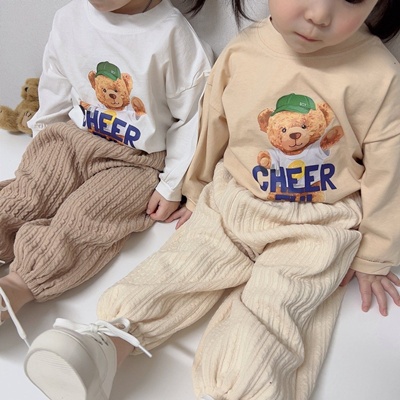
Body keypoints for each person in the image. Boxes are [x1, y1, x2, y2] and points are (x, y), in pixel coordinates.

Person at [21, 0, 400, 399]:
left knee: (275, 307)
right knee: (177, 268)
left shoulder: (379, 76)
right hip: (232, 200)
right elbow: (212, 129)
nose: (319, 15)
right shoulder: (242, 52)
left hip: (319, 223)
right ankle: (108, 344)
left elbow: (388, 171)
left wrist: (375, 253)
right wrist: (197, 190)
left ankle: (245, 391)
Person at [0, 0, 212, 334]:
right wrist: (44, 140)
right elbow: (56, 82)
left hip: (135, 161)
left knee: (85, 217)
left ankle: (18, 285)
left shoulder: (171, 36)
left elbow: (192, 119)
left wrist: (172, 184)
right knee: (30, 191)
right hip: (73, 138)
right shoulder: (70, 17)